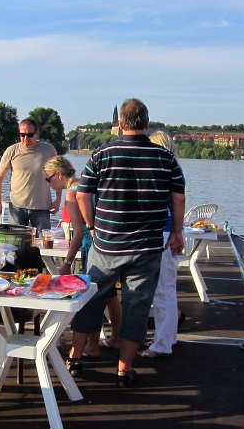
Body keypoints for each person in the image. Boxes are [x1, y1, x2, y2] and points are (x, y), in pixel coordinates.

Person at [67, 98, 185, 387]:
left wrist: (92, 226)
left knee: (89, 302)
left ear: (120, 125)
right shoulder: (165, 158)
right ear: (146, 124)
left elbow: (82, 194)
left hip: (106, 245)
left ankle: (76, 358)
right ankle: (124, 369)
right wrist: (177, 232)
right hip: (147, 247)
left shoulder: (102, 154)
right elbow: (178, 197)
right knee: (137, 307)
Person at [44, 156, 122, 360]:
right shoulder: (88, 185)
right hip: (108, 243)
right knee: (110, 295)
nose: (49, 184)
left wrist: (67, 262)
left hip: (91, 246)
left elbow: (78, 232)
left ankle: (93, 345)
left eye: (48, 178)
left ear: (59, 174)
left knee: (93, 297)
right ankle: (116, 336)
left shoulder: (71, 193)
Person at [138, 130, 182, 358]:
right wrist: (178, 231)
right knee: (169, 289)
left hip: (160, 235)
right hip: (169, 232)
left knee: (161, 292)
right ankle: (169, 337)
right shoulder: (174, 170)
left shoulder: (160, 170)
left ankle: (161, 344)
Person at [0, 118, 60, 231]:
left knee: (43, 245)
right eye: (22, 135)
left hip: (41, 208)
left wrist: (58, 200)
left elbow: (58, 176)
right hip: (17, 208)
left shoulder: (48, 150)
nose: (25, 138)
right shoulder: (12, 151)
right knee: (16, 244)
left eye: (29, 135)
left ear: (37, 133)